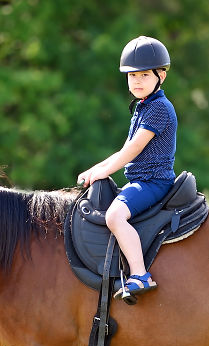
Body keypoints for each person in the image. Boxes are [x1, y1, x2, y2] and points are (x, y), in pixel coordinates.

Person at [77, 35, 177, 300]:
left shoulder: (159, 108)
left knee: (114, 216)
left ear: (161, 76)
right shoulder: (143, 108)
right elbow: (124, 150)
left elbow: (134, 150)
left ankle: (140, 275)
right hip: (141, 180)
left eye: (144, 75)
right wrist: (95, 169)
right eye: (132, 75)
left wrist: (106, 172)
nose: (137, 81)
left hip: (153, 181)